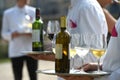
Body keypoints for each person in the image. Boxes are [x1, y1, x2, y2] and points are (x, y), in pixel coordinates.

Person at [1, 0, 38, 80]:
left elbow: (39, 30)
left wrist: (33, 33)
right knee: (17, 77)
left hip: (31, 50)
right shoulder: (8, 13)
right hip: (16, 50)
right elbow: (4, 34)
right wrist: (12, 34)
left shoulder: (34, 11)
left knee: (34, 77)